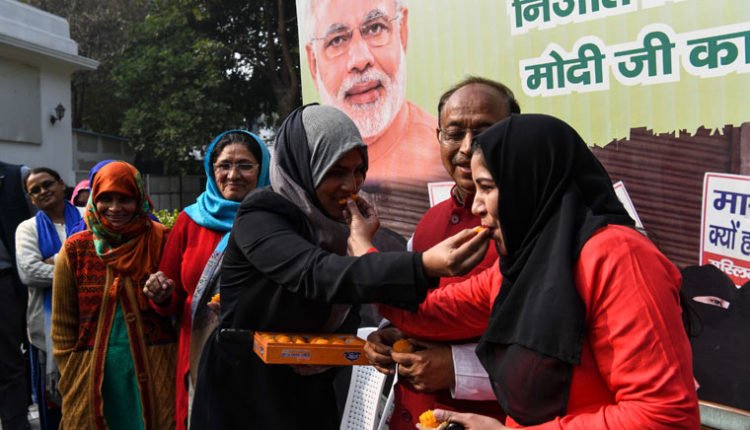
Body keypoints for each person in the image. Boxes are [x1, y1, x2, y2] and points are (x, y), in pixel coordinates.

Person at [377, 114, 700, 429]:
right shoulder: (527, 264)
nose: (476, 206)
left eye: (487, 188)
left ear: (528, 185)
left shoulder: (620, 258)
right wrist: (363, 267)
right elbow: (435, 312)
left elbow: (664, 416)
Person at [190, 104, 490, 429]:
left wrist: (354, 342)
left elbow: (346, 305)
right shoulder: (262, 213)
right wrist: (424, 265)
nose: (352, 185)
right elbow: (315, 274)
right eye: (335, 172)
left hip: (307, 393)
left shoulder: (337, 226)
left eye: (359, 170)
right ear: (304, 166)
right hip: (244, 394)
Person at [366, 77, 520, 429]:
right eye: (454, 133)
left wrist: (457, 368)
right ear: (438, 137)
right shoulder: (429, 221)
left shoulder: (530, 226)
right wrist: (388, 335)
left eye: (483, 132)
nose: (467, 148)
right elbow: (413, 307)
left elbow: (550, 353)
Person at [142, 130, 271, 430]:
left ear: (262, 169)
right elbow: (171, 294)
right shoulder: (190, 221)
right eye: (224, 165)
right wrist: (161, 294)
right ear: (212, 171)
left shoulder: (273, 219)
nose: (233, 175)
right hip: (199, 350)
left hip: (259, 353)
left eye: (245, 166)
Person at [301, 0, 450, 236]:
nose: (360, 60)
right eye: (337, 40)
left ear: (402, 32)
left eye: (375, 28)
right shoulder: (303, 169)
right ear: (313, 62)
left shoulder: (446, 157)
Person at [51, 161, 176, 429]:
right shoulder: (75, 250)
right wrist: (71, 373)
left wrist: (164, 296)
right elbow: (62, 326)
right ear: (94, 199)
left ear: (139, 200)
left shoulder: (163, 241)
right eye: (106, 199)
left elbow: (181, 307)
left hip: (156, 370)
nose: (115, 208)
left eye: (125, 199)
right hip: (92, 376)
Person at [15, 167, 85, 430]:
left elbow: (103, 257)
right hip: (47, 335)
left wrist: (55, 260)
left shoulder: (87, 216)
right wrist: (79, 269)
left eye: (47, 184)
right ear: (31, 199)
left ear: (61, 184)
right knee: (54, 407)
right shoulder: (27, 229)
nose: (43, 191)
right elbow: (29, 273)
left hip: (93, 324)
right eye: (35, 190)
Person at [0, 160, 32, 430]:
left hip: (7, 282)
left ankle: (16, 424)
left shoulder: (15, 176)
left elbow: (40, 223)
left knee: (9, 361)